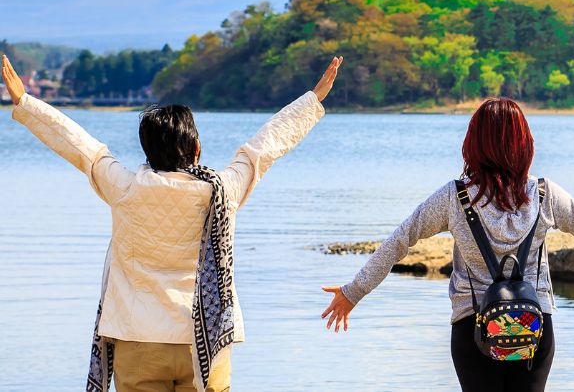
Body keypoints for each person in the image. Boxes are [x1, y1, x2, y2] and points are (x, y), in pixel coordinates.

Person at [1, 52, 342, 392]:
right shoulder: (222, 191)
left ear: (147, 151)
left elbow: (83, 148)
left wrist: (26, 104)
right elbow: (261, 149)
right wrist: (311, 101)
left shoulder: (125, 187)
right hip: (207, 341)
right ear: (196, 148)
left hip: (138, 339)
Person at [319, 96, 574, 392]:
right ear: (524, 142)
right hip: (534, 326)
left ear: (473, 143)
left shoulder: (454, 197)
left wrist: (355, 291)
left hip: (473, 328)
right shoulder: (545, 195)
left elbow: (401, 240)